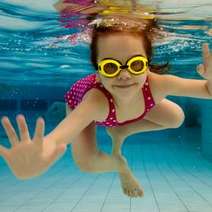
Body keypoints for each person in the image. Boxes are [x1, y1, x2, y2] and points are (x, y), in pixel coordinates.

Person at [0, 9, 212, 199]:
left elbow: (207, 91)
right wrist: (39, 157)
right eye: (111, 67)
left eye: (136, 65)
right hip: (80, 100)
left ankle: (122, 131)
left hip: (126, 112)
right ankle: (119, 164)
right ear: (98, 73)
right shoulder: (95, 102)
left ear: (147, 66)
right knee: (87, 163)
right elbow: (58, 138)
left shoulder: (157, 84)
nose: (125, 75)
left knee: (176, 117)